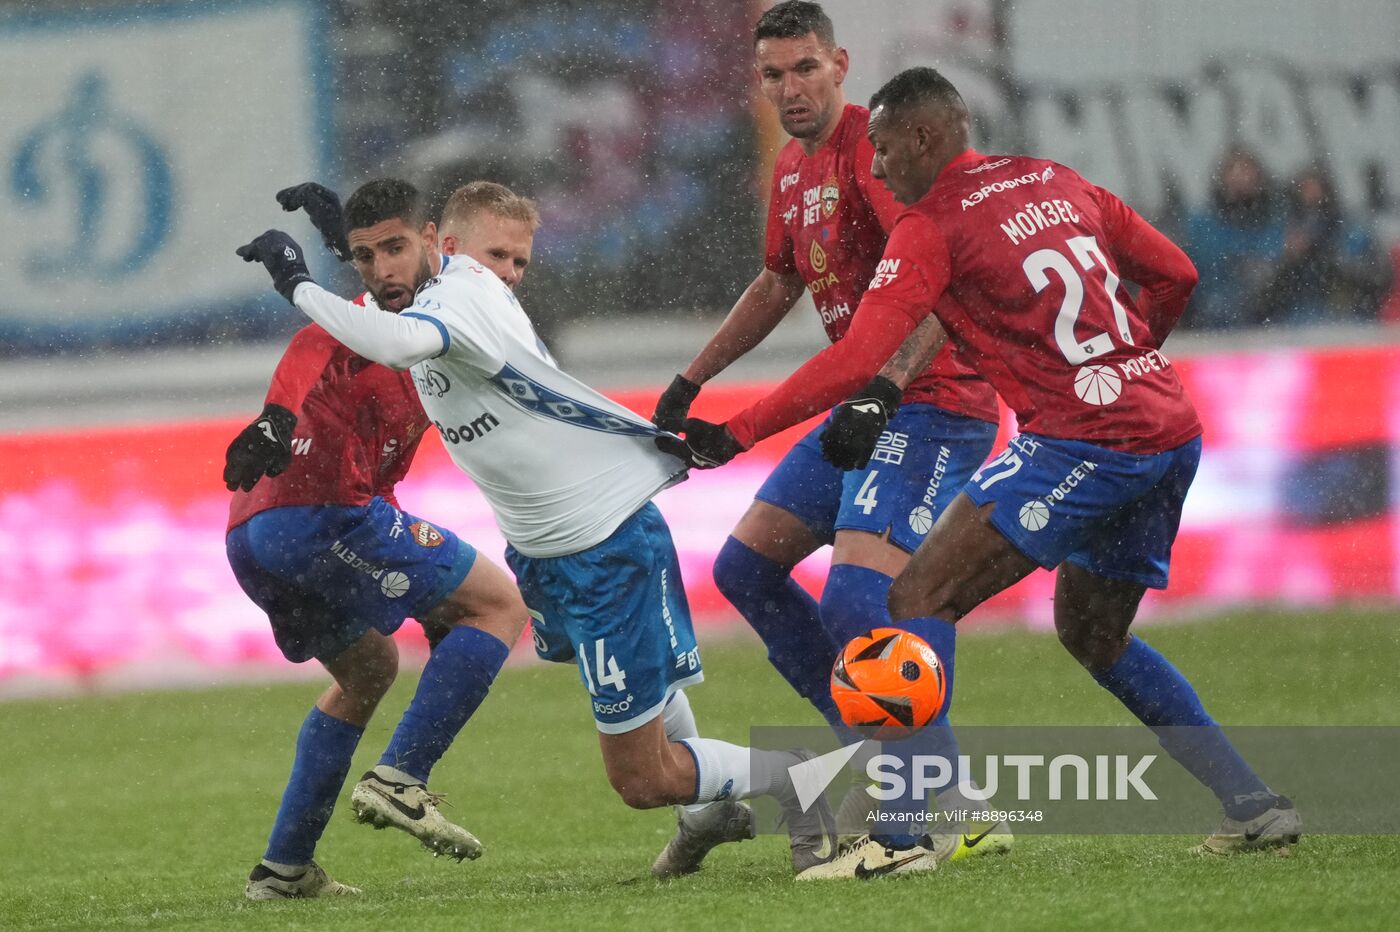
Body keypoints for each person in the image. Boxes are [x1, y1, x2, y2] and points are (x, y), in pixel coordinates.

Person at [668, 66, 1301, 878]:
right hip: (1170, 427)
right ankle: (1255, 807)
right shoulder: (1057, 179)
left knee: (916, 597)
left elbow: (859, 355)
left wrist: (739, 429)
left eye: (889, 150)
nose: (882, 168)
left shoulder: (931, 225)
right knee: (1094, 634)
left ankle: (903, 837)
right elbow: (1177, 273)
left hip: (1085, 442)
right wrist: (1130, 355)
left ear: (928, 138)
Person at [236, 178, 839, 883]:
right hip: (547, 552)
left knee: (641, 779)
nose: (511, 276)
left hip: (603, 544)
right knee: (643, 700)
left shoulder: (464, 294)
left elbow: (392, 341)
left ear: (437, 246)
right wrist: (362, 255)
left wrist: (297, 280)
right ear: (454, 244)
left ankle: (805, 785)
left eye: (520, 262)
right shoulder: (435, 295)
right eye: (500, 256)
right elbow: (375, 318)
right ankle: (707, 813)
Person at [651, 0, 1005, 857]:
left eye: (805, 68)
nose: (790, 88)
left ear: (841, 66)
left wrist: (885, 383)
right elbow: (778, 283)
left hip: (931, 405)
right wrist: (693, 376)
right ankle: (888, 745)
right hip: (868, 408)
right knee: (746, 568)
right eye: (773, 75)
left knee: (858, 599)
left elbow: (938, 289)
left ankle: (923, 804)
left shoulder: (873, 158)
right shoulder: (793, 173)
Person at [226, 181, 545, 900]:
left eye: (393, 250)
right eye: (367, 257)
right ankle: (402, 777)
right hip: (320, 513)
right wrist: (277, 417)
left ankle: (283, 870)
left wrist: (351, 253)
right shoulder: (390, 324)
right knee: (496, 606)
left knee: (368, 670)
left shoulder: (423, 320)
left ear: (431, 241)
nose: (381, 269)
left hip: (254, 535)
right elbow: (316, 341)